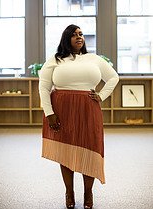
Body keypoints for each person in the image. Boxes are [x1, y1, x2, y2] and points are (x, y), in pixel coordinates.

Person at [39, 24, 119, 209]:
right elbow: (43, 88)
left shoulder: (94, 59)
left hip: (88, 109)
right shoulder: (55, 60)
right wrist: (49, 113)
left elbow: (113, 77)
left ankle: (88, 193)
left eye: (81, 34)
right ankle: (69, 192)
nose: (79, 37)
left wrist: (101, 95)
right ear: (66, 38)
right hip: (61, 109)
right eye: (74, 35)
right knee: (65, 151)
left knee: (90, 149)